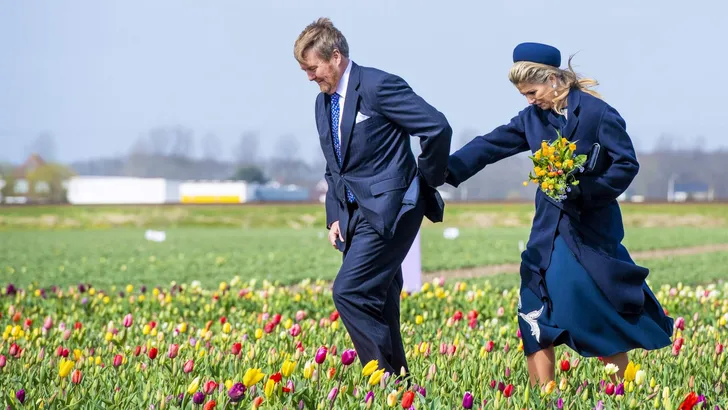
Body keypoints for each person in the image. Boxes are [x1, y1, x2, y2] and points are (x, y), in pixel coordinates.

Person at [444, 42, 673, 385]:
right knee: (533, 310)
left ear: (553, 79)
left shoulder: (598, 115)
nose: (529, 100)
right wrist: (440, 171)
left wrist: (584, 191)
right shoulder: (532, 119)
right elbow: (489, 145)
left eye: (532, 92)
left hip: (588, 232)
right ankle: (543, 397)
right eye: (523, 95)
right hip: (545, 232)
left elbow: (626, 164)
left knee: (589, 308)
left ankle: (626, 390)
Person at [293, 18, 452, 375]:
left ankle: (382, 381)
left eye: (312, 68)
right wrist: (333, 214)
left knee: (350, 292)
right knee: (379, 296)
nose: (309, 77)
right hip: (354, 216)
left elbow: (437, 127)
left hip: (392, 208)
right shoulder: (323, 103)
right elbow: (334, 165)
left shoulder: (379, 86)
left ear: (335, 57)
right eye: (304, 70)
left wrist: (424, 180)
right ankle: (401, 386)